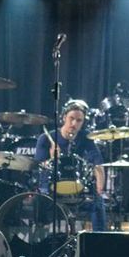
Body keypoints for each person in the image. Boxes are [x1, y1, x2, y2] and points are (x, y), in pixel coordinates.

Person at [33, 99, 107, 231]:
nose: (74, 124)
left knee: (97, 201)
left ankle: (99, 237)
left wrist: (100, 186)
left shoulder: (86, 137)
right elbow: (38, 166)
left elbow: (97, 162)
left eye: (79, 121)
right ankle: (40, 233)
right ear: (63, 118)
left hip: (78, 186)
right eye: (71, 119)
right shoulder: (46, 138)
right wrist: (52, 158)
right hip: (50, 187)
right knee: (39, 198)